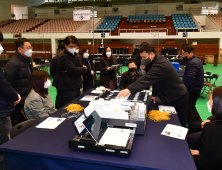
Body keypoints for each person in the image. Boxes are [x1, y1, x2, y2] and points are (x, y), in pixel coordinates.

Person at [118, 43, 189, 127]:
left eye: (144, 57)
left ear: (151, 54)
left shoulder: (160, 64)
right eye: (141, 57)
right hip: (170, 96)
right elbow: (155, 80)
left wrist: (128, 89)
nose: (142, 60)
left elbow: (147, 79)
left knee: (179, 125)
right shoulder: (155, 61)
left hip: (178, 98)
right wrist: (155, 94)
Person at [187, 86, 222, 170]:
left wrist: (196, 156)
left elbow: (204, 165)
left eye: (210, 100)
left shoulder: (212, 130)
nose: (208, 102)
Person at [0, 32, 21, 169]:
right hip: (2, 112)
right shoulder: (13, 63)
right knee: (5, 146)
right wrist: (15, 96)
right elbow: (3, 84)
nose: (1, 47)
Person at [4, 38, 33, 126]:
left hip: (28, 100)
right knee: (19, 127)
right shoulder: (13, 63)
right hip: (19, 103)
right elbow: (8, 84)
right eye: (28, 48)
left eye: (30, 47)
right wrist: (17, 96)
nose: (30, 50)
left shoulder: (26, 61)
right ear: (20, 50)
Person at [58, 35, 87, 105]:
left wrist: (80, 69)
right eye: (71, 46)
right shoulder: (63, 57)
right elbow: (75, 70)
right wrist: (82, 68)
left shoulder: (76, 55)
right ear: (66, 46)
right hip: (68, 89)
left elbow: (79, 69)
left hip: (77, 86)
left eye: (74, 46)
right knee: (70, 109)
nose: (73, 48)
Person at [182, 44, 204, 123]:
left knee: (190, 110)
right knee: (192, 108)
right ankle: (198, 124)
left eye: (185, 54)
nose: (183, 56)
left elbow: (190, 78)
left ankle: (193, 128)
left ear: (191, 53)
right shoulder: (195, 60)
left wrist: (187, 90)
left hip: (192, 91)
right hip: (196, 89)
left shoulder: (192, 63)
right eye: (182, 54)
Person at [50, 42, 65, 109]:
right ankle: (57, 109)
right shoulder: (55, 59)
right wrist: (57, 78)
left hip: (65, 81)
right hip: (58, 81)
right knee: (59, 96)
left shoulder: (65, 58)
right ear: (61, 50)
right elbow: (52, 71)